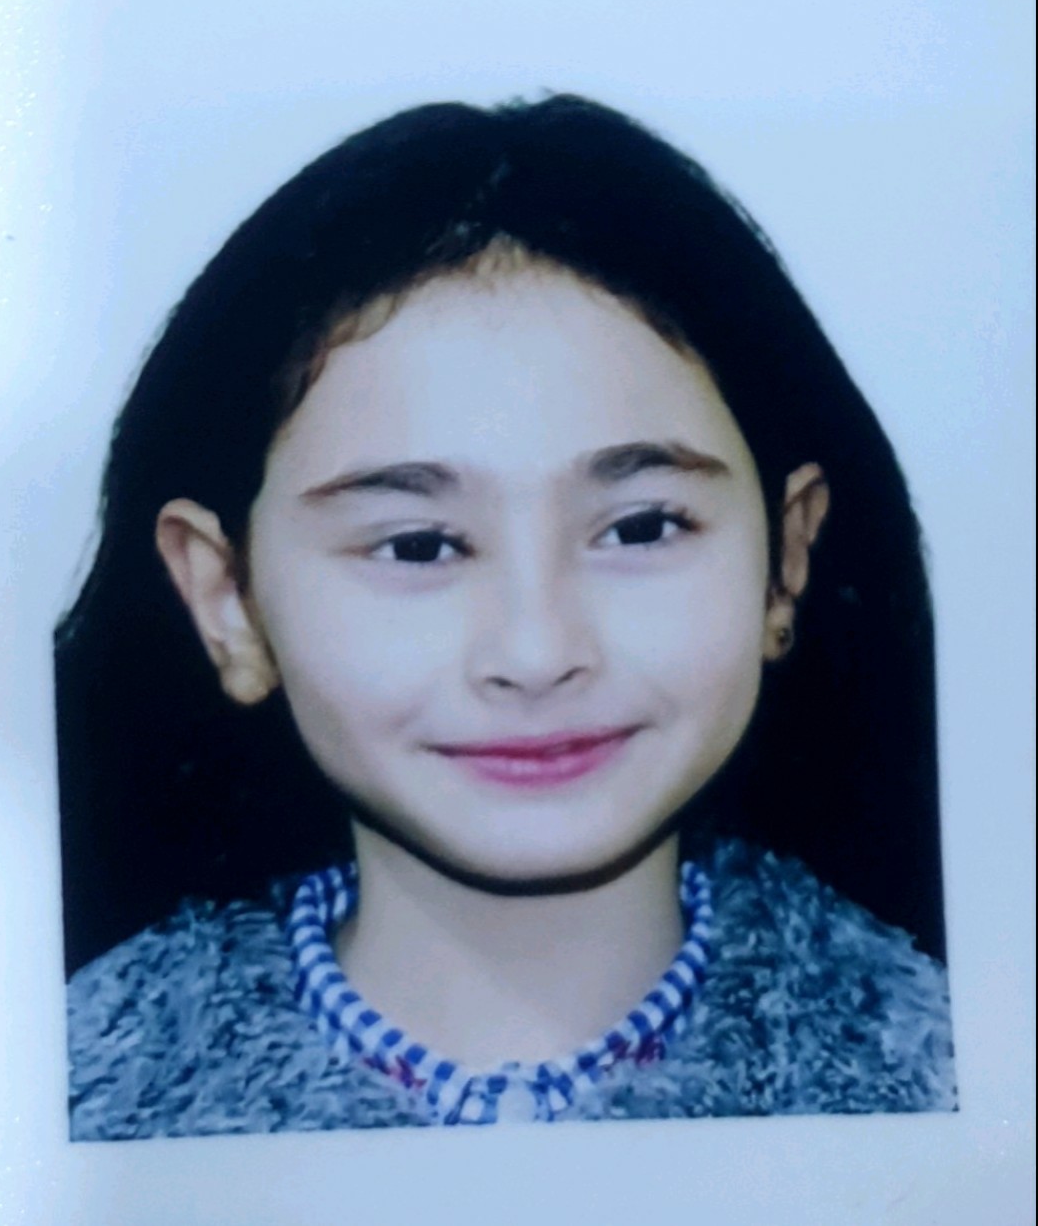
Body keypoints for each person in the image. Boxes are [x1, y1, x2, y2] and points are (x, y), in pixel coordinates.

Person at [59, 95, 956, 1138]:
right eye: (418, 546)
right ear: (227, 599)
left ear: (785, 561)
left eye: (640, 527)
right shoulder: (71, 1101)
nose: (537, 651)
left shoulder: (944, 1075)